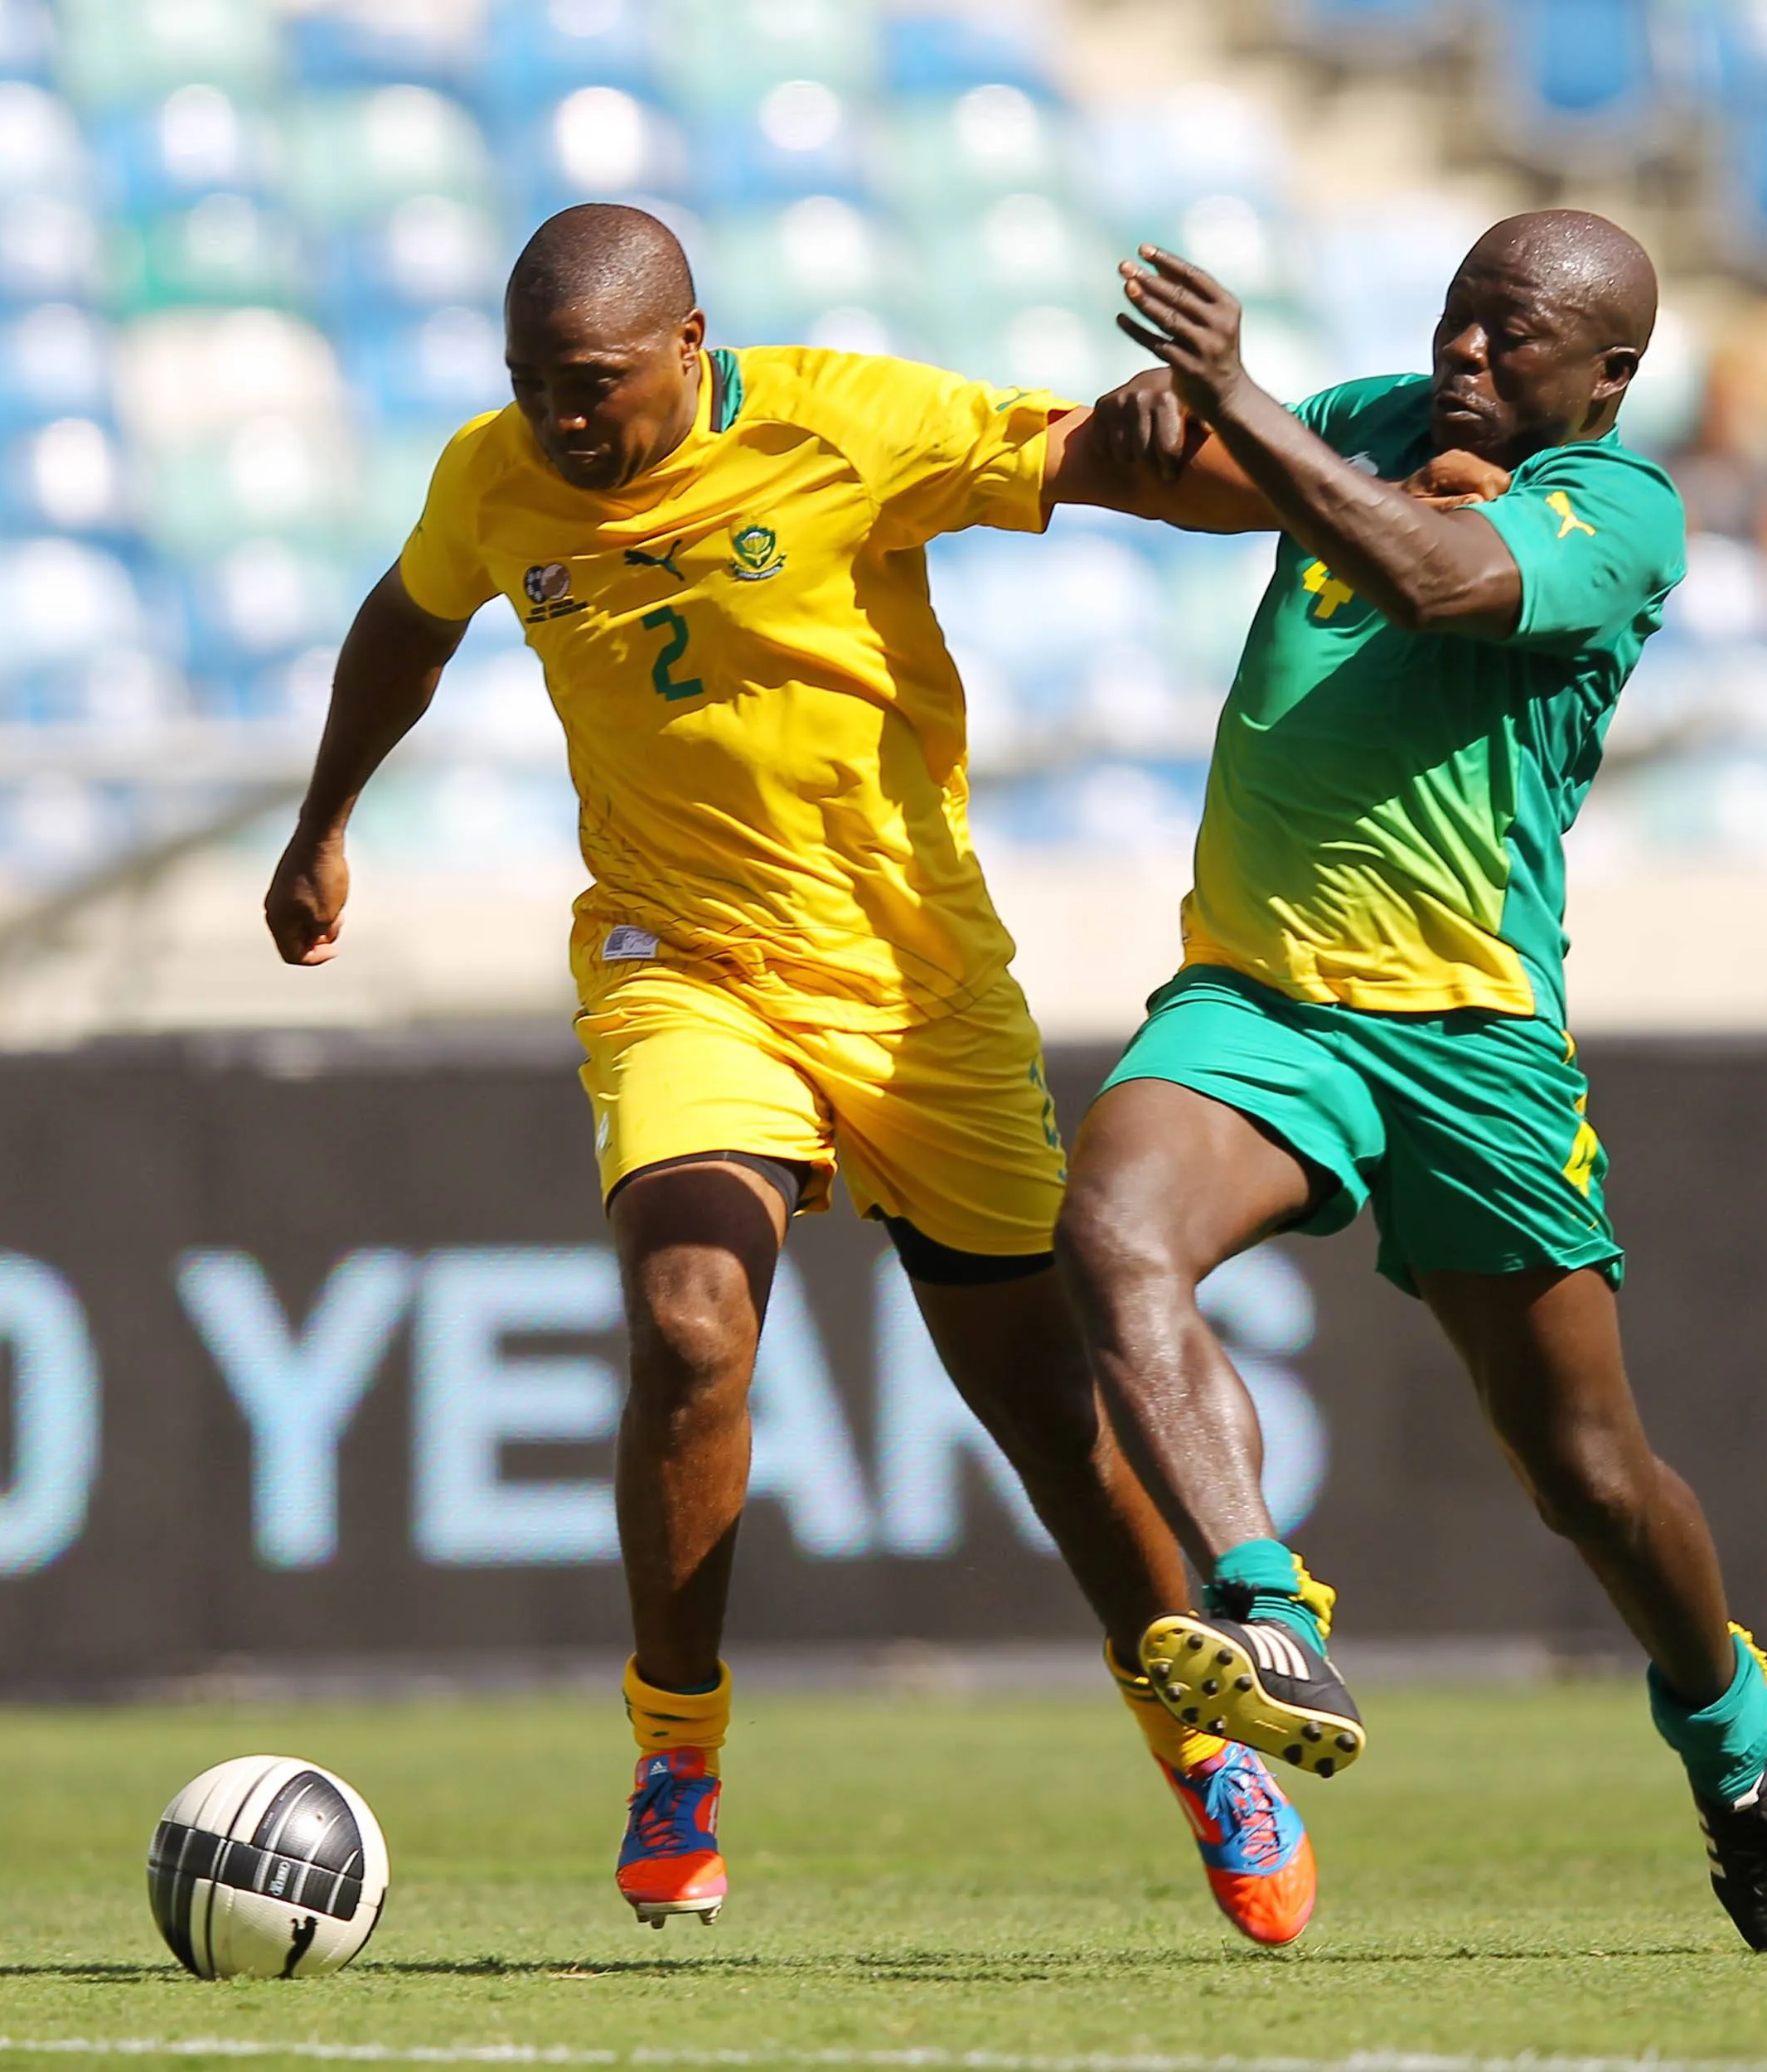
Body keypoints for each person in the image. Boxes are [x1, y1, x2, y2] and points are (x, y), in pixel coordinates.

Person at [261, 203, 1323, 1946]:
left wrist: (1287, 492)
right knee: (690, 1322)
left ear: (690, 344)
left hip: (917, 995)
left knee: (1051, 1421)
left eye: (591, 384)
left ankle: (1200, 1739)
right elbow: (407, 617)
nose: (559, 420)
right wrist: (323, 823)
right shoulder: (492, 475)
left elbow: (1107, 464)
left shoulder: (845, 422)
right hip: (679, 965)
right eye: (530, 384)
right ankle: (677, 1750)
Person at [1052, 211, 1767, 1953]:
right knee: (1111, 1224)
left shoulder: (1622, 513)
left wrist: (1244, 402)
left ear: (1611, 376)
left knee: (1588, 1472)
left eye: (1514, 332)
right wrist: (1134, 435)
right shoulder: (1367, 415)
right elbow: (1197, 482)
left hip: (1471, 1040)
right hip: (1262, 1000)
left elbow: (1441, 580)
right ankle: (1266, 1610)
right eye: (1460, 314)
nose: (1467, 350)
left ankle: (1733, 1733)